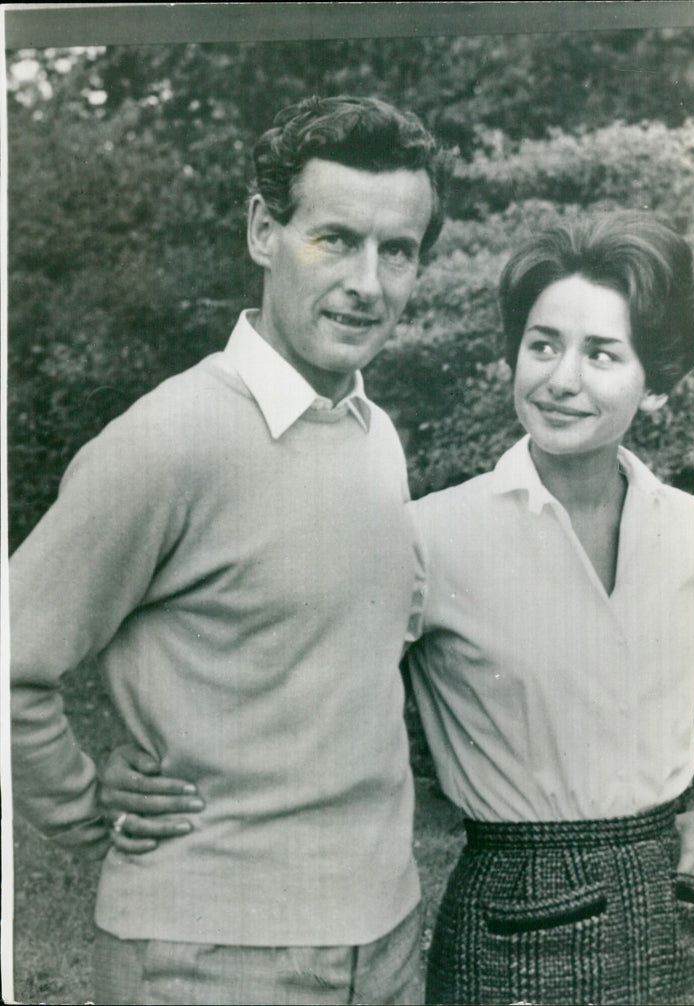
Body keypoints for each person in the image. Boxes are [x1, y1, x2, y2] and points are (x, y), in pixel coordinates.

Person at [105, 212, 694, 1005]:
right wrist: (158, 756)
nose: (561, 378)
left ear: (655, 384)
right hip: (510, 923)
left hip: (668, 906)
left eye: (602, 354)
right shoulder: (432, 537)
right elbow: (299, 681)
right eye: (542, 345)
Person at [10, 94, 450, 1006]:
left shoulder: (376, 435)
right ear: (263, 231)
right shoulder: (166, 440)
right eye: (335, 240)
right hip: (206, 958)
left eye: (398, 251)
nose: (368, 283)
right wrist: (87, 812)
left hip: (385, 941)